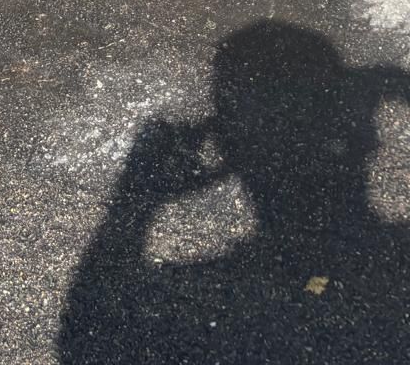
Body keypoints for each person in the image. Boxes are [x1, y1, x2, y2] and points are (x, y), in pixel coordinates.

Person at [60, 20, 410, 363]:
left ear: (228, 151)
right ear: (364, 140)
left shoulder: (216, 294)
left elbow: (87, 331)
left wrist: (135, 198)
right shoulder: (394, 261)